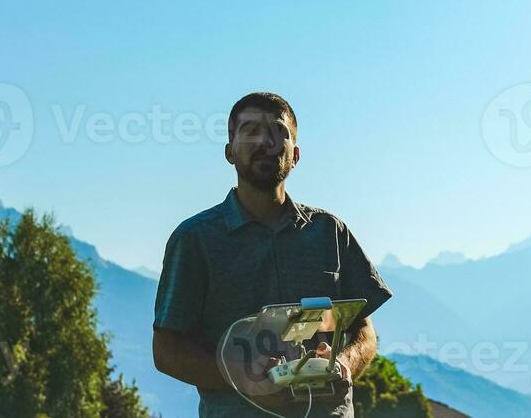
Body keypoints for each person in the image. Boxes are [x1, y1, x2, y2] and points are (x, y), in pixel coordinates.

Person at [153, 92, 393, 417]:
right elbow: (166, 351)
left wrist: (343, 363)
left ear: (295, 154)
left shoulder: (331, 233)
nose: (265, 141)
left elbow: (364, 332)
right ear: (229, 152)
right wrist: (242, 379)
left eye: (279, 131)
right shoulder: (195, 240)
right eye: (250, 130)